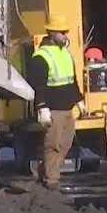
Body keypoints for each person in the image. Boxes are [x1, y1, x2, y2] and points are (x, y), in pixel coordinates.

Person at [25, 13, 89, 190]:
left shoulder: (65, 54)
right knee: (53, 144)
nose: (65, 36)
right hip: (53, 109)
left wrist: (79, 102)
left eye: (66, 32)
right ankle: (51, 181)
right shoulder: (41, 57)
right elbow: (39, 85)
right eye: (62, 32)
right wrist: (42, 108)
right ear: (52, 33)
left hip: (67, 108)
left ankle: (45, 171)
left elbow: (71, 81)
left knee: (65, 144)